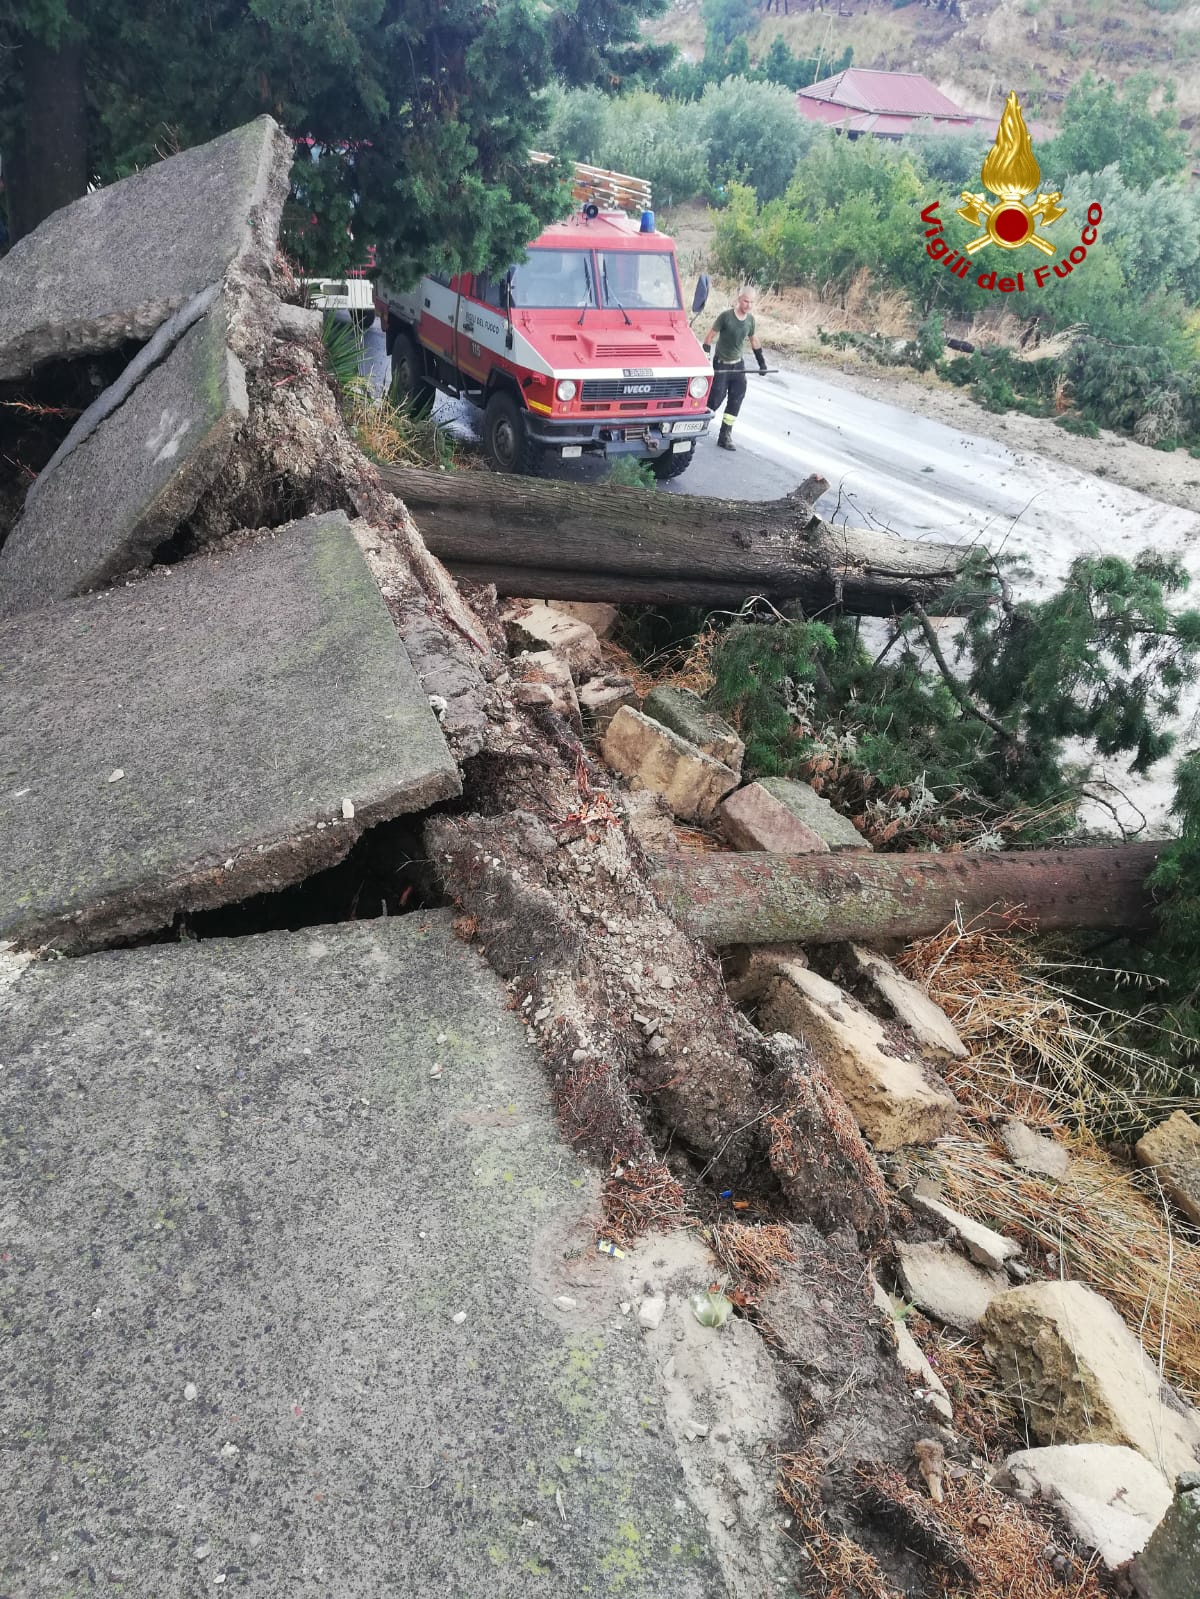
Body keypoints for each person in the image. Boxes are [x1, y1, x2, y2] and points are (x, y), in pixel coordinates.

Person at [703, 286, 768, 452]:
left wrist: (762, 362)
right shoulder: (726, 317)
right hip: (721, 364)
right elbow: (710, 336)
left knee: (736, 398)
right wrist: (706, 360)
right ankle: (697, 426)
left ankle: (725, 435)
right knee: (715, 399)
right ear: (739, 299)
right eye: (746, 301)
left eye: (752, 302)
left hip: (738, 366)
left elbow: (754, 340)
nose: (748, 305)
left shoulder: (750, 320)